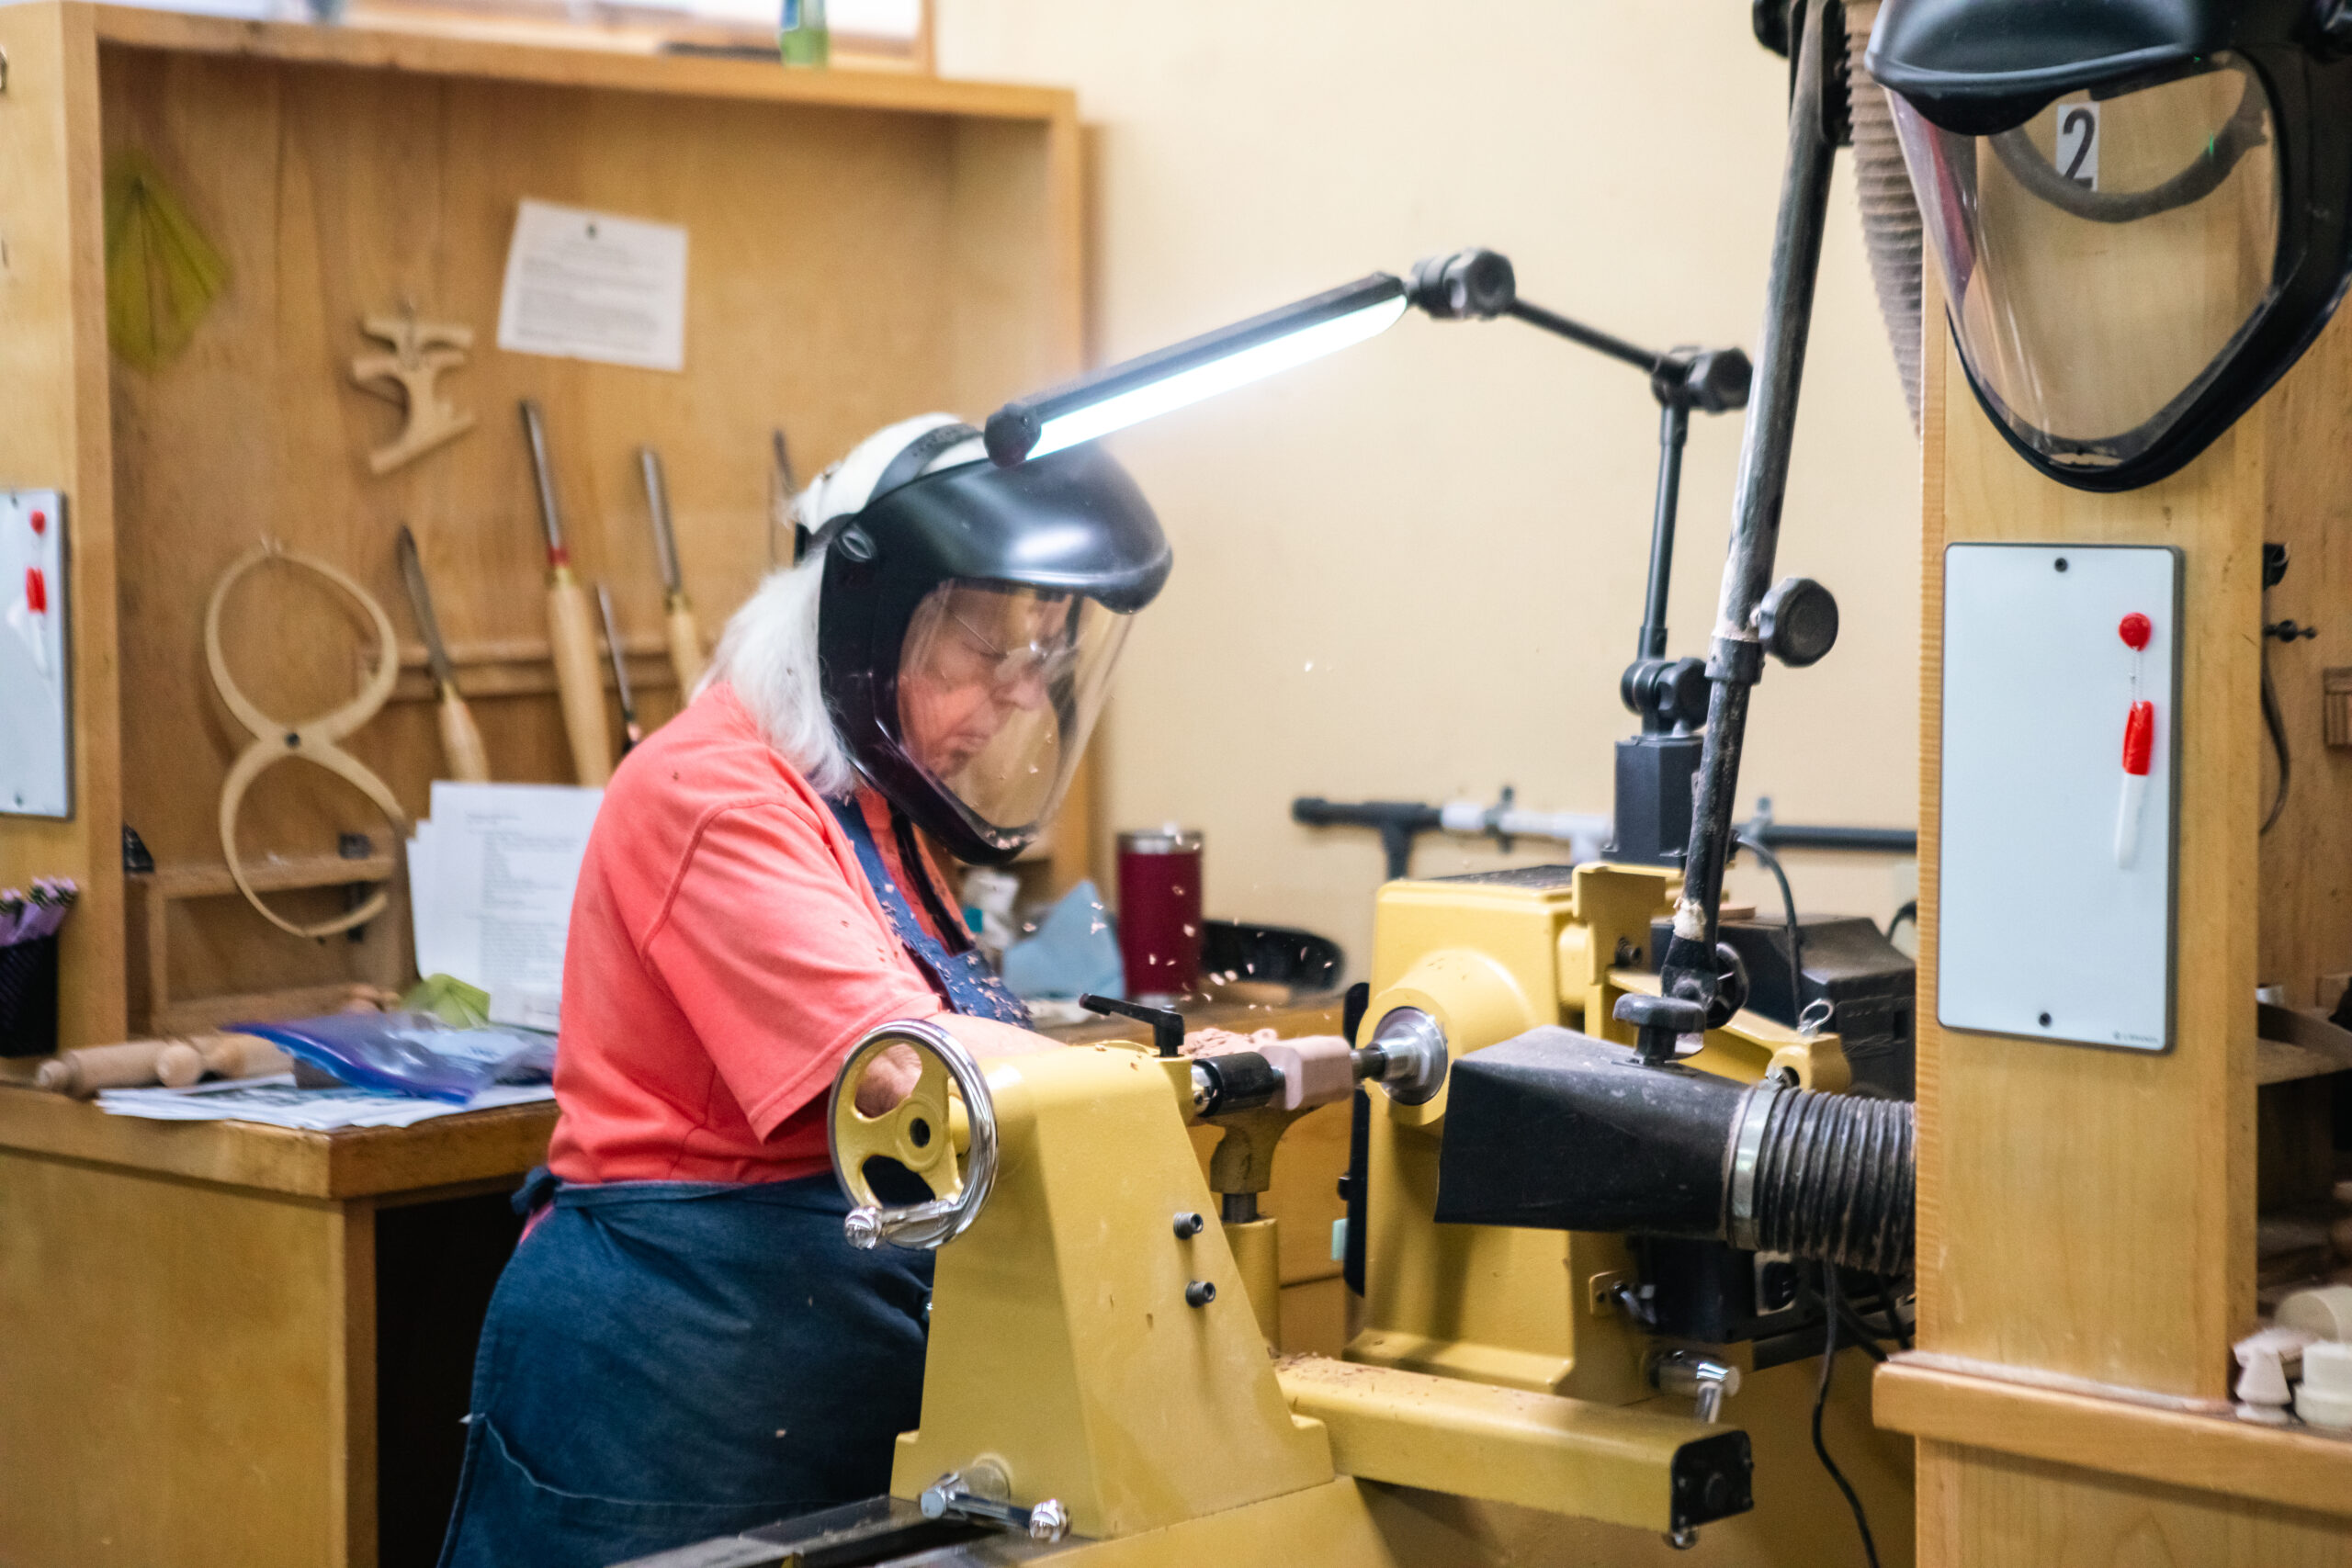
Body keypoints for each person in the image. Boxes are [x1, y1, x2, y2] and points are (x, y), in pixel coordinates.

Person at [437, 414, 1171, 1568]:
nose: (1020, 700)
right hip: (676, 1375)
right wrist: (1169, 1088)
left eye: (1035, 660)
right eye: (986, 655)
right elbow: (906, 1069)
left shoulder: (870, 800)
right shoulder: (711, 795)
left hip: (807, 1351)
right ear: (867, 632)